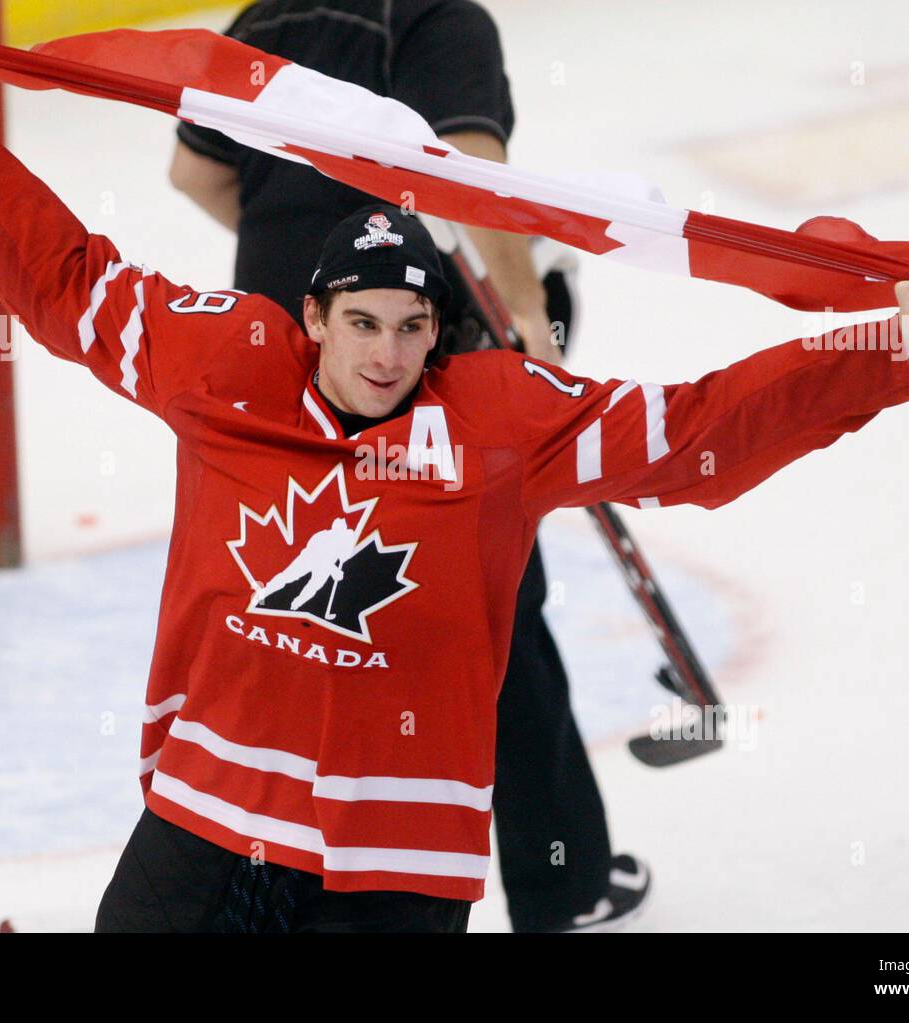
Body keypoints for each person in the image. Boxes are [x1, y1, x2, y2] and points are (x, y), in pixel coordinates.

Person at [0, 25, 909, 934]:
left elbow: (693, 431)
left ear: (437, 335)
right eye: (360, 323)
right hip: (211, 813)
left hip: (396, 849)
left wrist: (885, 346)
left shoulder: (499, 421)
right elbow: (67, 282)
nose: (384, 355)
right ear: (310, 317)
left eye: (410, 329)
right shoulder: (224, 365)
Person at [167, 0, 640, 933]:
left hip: (277, 377)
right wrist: (534, 339)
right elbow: (469, 184)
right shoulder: (436, 17)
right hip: (404, 371)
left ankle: (273, 881)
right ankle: (564, 881)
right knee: (485, 618)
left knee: (288, 629)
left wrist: (297, 263)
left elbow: (194, 173)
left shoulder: (259, 19)